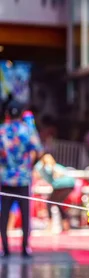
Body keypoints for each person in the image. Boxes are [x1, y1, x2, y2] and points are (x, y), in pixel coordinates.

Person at [0, 100, 43, 257]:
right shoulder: (27, 130)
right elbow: (38, 150)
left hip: (5, 179)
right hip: (23, 178)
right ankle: (25, 248)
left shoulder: (2, 131)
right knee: (25, 214)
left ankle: (5, 248)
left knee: (4, 214)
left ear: (6, 114)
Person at [34, 154, 76, 232]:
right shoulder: (52, 166)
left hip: (62, 185)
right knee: (58, 203)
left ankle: (50, 225)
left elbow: (52, 170)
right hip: (69, 184)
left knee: (49, 202)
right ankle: (65, 224)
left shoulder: (45, 166)